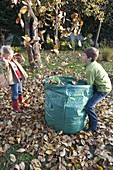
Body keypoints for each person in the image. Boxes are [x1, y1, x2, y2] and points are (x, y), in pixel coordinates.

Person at [82, 47, 112, 133]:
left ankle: (93, 127)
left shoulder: (90, 69)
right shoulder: (92, 64)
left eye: (84, 55)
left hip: (103, 89)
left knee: (89, 106)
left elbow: (89, 86)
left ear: (89, 58)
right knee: (89, 103)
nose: (81, 57)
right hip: (100, 85)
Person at [0, 45, 28, 112]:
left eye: (10, 54)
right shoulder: (4, 61)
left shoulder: (13, 59)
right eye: (8, 55)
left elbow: (22, 61)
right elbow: (4, 64)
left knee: (20, 91)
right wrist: (3, 58)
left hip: (19, 77)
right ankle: (15, 106)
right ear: (4, 54)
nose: (9, 56)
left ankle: (21, 101)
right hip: (13, 79)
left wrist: (19, 56)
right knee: (15, 93)